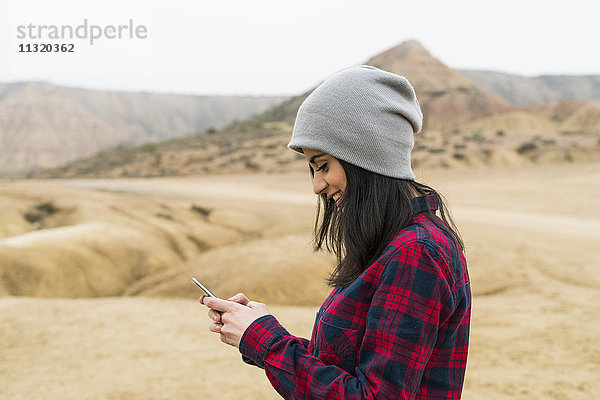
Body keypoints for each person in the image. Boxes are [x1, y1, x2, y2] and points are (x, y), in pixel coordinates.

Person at [200, 65, 471, 399]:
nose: (317, 186)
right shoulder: (399, 242)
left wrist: (266, 342)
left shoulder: (416, 252)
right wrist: (256, 329)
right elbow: (350, 367)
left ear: (367, 156)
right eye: (312, 169)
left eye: (323, 165)